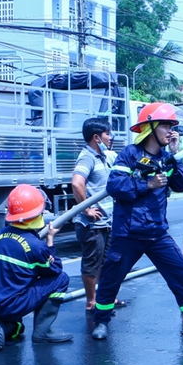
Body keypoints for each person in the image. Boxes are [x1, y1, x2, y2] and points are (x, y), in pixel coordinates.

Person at [91, 102, 183, 341]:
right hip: (128, 233)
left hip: (157, 234)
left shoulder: (166, 157)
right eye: (166, 125)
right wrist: (147, 184)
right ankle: (101, 322)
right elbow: (115, 186)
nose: (171, 131)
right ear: (149, 127)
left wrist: (175, 155)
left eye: (173, 126)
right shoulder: (129, 154)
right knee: (111, 279)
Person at [0, 184, 72, 351]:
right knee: (61, 279)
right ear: (37, 214)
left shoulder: (2, 234)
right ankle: (42, 332)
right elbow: (55, 269)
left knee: (18, 328)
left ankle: (3, 326)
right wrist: (50, 241)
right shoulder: (36, 246)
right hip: (11, 304)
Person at [71, 117, 122, 314]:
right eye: (107, 134)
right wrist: (86, 209)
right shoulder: (87, 157)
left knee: (107, 262)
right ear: (96, 137)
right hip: (92, 225)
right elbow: (77, 183)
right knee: (92, 263)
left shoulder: (104, 156)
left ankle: (105, 297)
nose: (111, 137)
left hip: (107, 221)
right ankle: (91, 302)